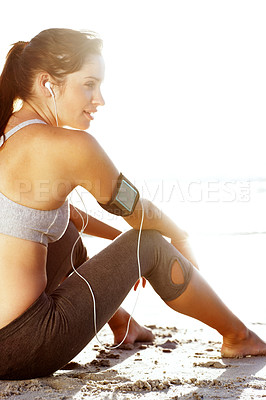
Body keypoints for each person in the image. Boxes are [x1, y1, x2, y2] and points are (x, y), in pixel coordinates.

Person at [0, 28, 265, 381]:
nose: (100, 99)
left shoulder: (8, 131)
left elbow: (59, 215)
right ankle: (239, 337)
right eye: (89, 84)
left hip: (8, 339)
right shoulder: (70, 146)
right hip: (23, 343)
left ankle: (125, 325)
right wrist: (180, 236)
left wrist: (116, 255)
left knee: (66, 230)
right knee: (149, 244)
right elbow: (139, 212)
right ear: (48, 82)